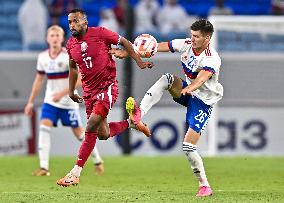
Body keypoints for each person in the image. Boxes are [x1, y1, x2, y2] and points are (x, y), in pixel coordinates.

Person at [111, 19, 223, 197]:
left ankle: (204, 186)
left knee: (188, 147)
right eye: (191, 35)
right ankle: (138, 115)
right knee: (167, 79)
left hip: (203, 101)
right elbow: (157, 46)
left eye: (196, 36)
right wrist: (128, 52)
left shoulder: (212, 58)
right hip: (187, 91)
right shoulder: (186, 45)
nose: (192, 39)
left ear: (207, 38)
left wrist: (189, 88)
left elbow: (202, 79)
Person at [56, 9, 153, 187]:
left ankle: (75, 173)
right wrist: (70, 91)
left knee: (91, 124)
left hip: (107, 87)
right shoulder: (70, 44)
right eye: (69, 22)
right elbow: (73, 68)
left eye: (75, 21)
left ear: (85, 22)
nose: (72, 25)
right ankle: (131, 123)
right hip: (88, 93)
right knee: (103, 134)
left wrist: (138, 61)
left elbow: (123, 41)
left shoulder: (100, 33)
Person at [24, 25, 104, 176]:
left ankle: (98, 160)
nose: (54, 38)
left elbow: (81, 78)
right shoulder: (42, 57)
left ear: (62, 38)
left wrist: (63, 93)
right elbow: (39, 80)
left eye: (57, 36)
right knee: (44, 128)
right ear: (47, 39)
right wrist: (30, 102)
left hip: (68, 102)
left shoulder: (69, 55)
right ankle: (44, 167)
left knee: (80, 134)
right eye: (52, 36)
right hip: (50, 101)